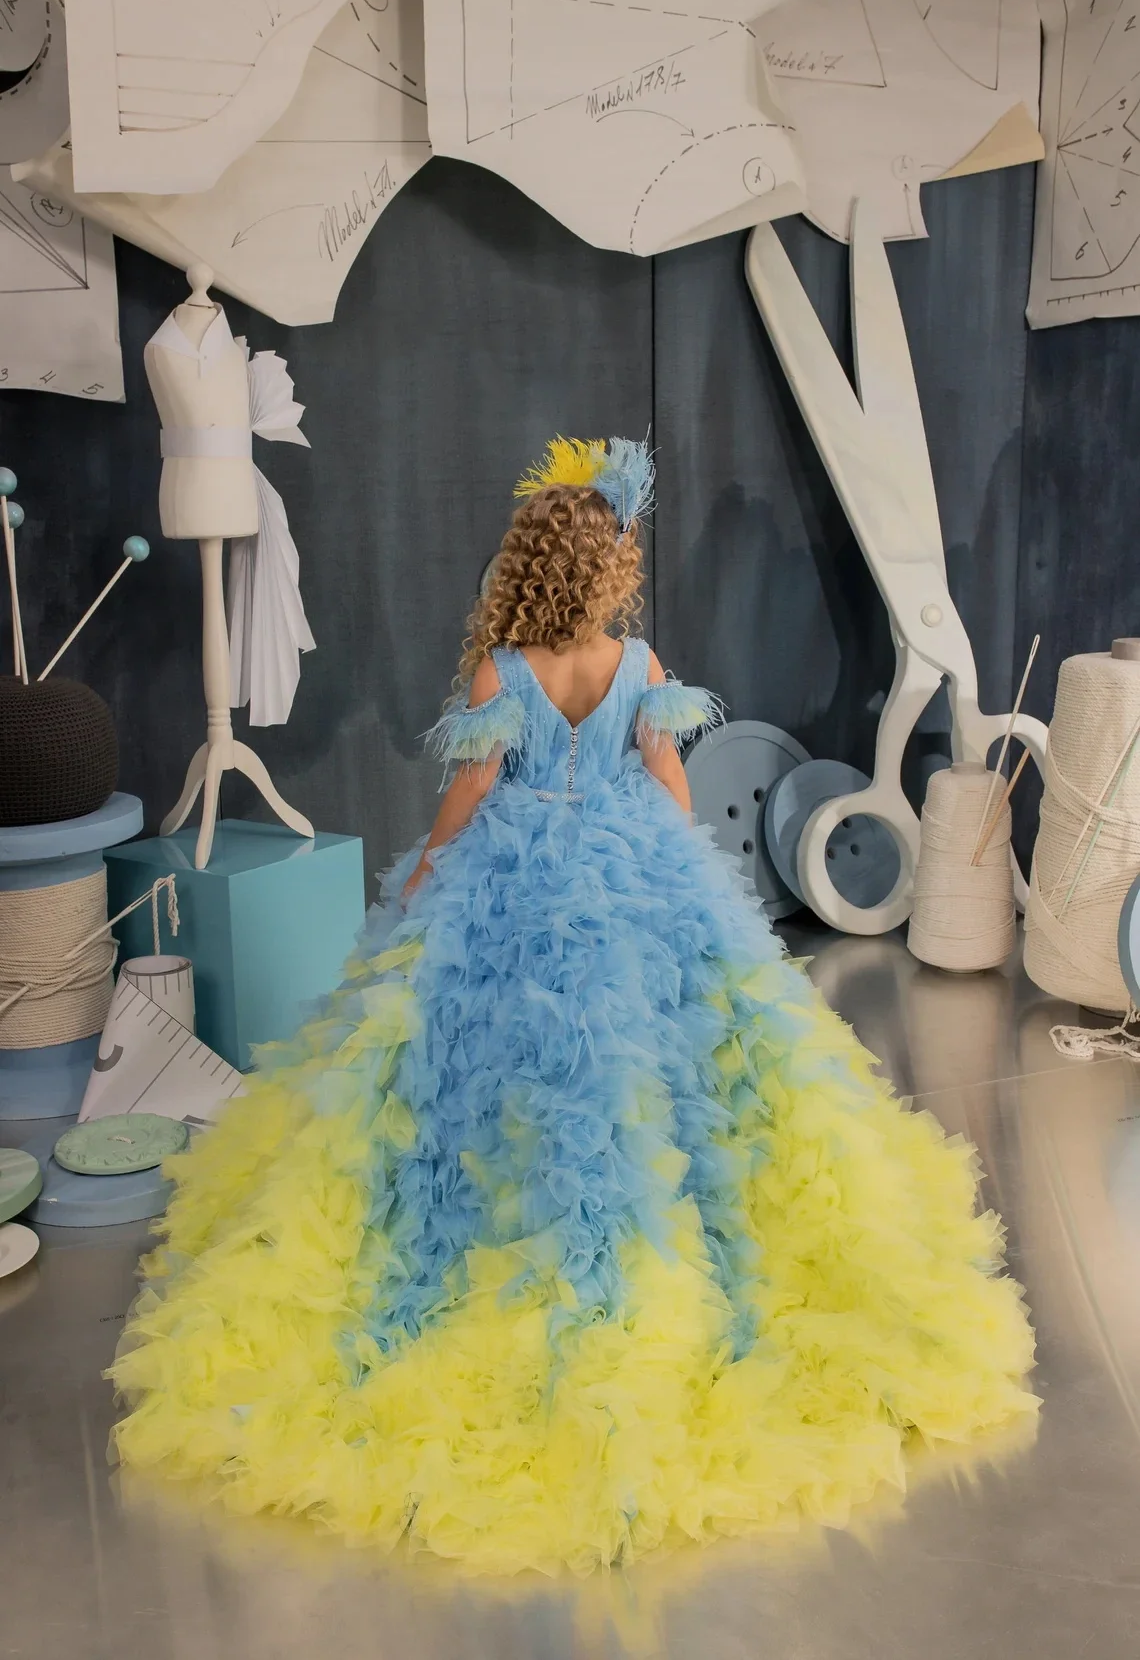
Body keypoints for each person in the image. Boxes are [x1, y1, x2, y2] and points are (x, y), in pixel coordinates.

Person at [109, 436, 1038, 1576]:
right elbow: (666, 785)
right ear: (609, 574)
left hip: (515, 875)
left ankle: (493, 1247)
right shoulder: (642, 666)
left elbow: (469, 792)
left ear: (526, 566)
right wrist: (679, 860)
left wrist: (426, 876)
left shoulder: (504, 672)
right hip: (634, 864)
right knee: (669, 1071)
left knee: (474, 1066)